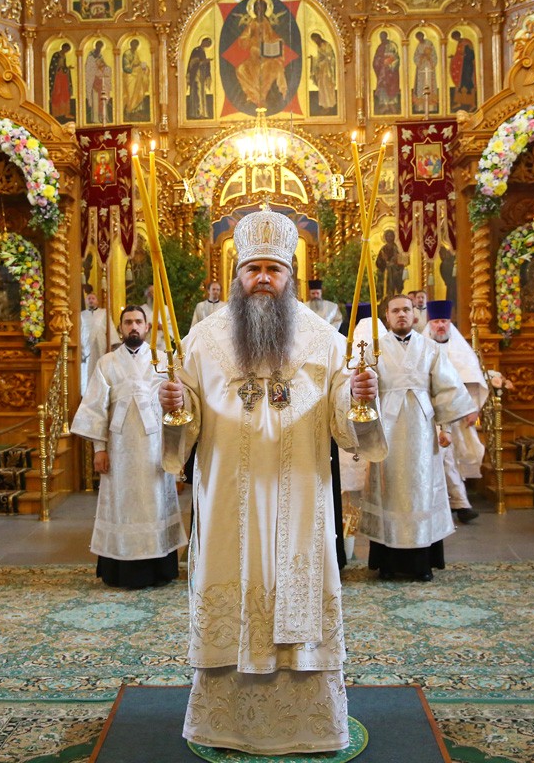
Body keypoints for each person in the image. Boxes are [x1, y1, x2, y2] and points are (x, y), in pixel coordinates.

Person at [159, 209, 385, 755]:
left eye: (274, 269)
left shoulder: (325, 340)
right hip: (226, 500)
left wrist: (359, 397)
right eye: (253, 268)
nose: (263, 278)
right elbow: (185, 421)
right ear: (237, 274)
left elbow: (346, 423)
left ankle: (311, 726)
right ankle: (223, 723)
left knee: (297, 588)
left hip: (301, 497)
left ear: (291, 276)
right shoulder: (202, 340)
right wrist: (174, 404)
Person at [355, 294, 475, 580]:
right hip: (387, 429)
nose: (401, 315)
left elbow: (446, 389)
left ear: (415, 314)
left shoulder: (431, 348)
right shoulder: (372, 350)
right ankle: (387, 564)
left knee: (421, 490)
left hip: (422, 430)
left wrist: (446, 429)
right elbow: (362, 392)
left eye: (406, 310)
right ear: (387, 316)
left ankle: (422, 564)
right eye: (395, 310)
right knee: (389, 490)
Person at [71, 305, 187, 589]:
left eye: (138, 322)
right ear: (120, 328)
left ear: (147, 327)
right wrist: (99, 449)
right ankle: (119, 570)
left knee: (155, 504)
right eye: (127, 322)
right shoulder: (107, 363)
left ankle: (161, 569)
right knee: (121, 505)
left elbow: (176, 408)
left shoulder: (164, 361)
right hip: (119, 450)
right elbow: (96, 409)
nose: (133, 327)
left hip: (155, 449)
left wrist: (177, 451)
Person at [422, 300, 487, 525]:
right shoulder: (420, 347)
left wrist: (473, 409)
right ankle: (460, 504)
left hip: (456, 413)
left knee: (452, 458)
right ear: (429, 324)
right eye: (436, 321)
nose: (440, 325)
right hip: (428, 414)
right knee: (443, 457)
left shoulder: (461, 349)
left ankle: (457, 503)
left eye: (444, 321)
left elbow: (473, 381)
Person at [233, 0, 288, 110]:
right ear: (254, 9)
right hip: (254, 56)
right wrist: (252, 40)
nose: (259, 10)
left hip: (266, 55)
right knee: (241, 69)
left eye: (261, 8)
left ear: (265, 9)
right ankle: (253, 96)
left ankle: (262, 98)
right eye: (257, 8)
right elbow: (243, 39)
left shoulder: (266, 23)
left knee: (267, 69)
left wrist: (278, 42)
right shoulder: (252, 23)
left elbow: (272, 37)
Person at [121, 38, 151, 123]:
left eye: (136, 45)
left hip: (137, 76)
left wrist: (143, 67)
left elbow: (138, 62)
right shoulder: (127, 54)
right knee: (130, 94)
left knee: (139, 93)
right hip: (130, 77)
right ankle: (128, 112)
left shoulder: (135, 53)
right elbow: (126, 68)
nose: (135, 47)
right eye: (134, 45)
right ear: (131, 45)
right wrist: (134, 66)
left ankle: (135, 112)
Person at [371, 30, 401, 114]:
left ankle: (392, 105)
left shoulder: (392, 45)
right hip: (382, 72)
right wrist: (381, 61)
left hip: (391, 72)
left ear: (386, 36)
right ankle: (385, 105)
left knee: (392, 87)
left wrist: (390, 63)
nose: (382, 39)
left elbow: (396, 57)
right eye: (381, 37)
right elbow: (376, 59)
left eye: (383, 37)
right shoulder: (380, 47)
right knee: (383, 87)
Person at [84, 40, 112, 124]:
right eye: (98, 47)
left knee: (102, 100)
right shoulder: (90, 56)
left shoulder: (100, 56)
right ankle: (96, 118)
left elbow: (103, 66)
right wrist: (96, 68)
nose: (99, 49)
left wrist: (106, 68)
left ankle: (103, 117)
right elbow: (89, 69)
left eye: (101, 47)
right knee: (96, 100)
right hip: (94, 82)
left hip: (101, 82)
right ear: (96, 46)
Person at [309, 32, 337, 115]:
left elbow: (331, 57)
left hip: (327, 70)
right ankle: (324, 105)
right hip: (321, 70)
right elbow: (319, 57)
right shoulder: (319, 46)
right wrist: (313, 59)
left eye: (315, 39)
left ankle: (329, 105)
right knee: (321, 86)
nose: (315, 41)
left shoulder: (327, 45)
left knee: (327, 86)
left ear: (319, 37)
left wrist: (323, 60)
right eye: (313, 40)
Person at [186, 37, 214, 120]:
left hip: (201, 76)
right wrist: (204, 61)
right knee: (197, 93)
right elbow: (193, 63)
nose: (207, 45)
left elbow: (202, 63)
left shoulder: (202, 51)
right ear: (203, 42)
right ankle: (197, 113)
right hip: (196, 76)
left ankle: (202, 112)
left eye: (209, 45)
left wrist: (206, 63)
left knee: (202, 93)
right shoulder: (196, 50)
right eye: (207, 43)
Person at [412, 31, 438, 114]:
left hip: (429, 66)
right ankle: (420, 107)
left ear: (423, 36)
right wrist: (421, 56)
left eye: (420, 37)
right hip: (421, 68)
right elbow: (415, 56)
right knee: (420, 86)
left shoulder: (429, 43)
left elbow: (434, 55)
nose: (419, 39)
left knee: (429, 85)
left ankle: (431, 107)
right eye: (417, 38)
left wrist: (429, 56)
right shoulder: (419, 45)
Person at [49, 42, 74, 122]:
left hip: (63, 76)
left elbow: (63, 66)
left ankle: (66, 112)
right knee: (57, 92)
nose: (66, 51)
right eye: (66, 49)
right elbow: (54, 67)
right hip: (57, 77)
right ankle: (56, 113)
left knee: (65, 93)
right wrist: (64, 69)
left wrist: (67, 68)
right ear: (63, 48)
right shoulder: (56, 55)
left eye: (68, 50)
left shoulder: (64, 56)